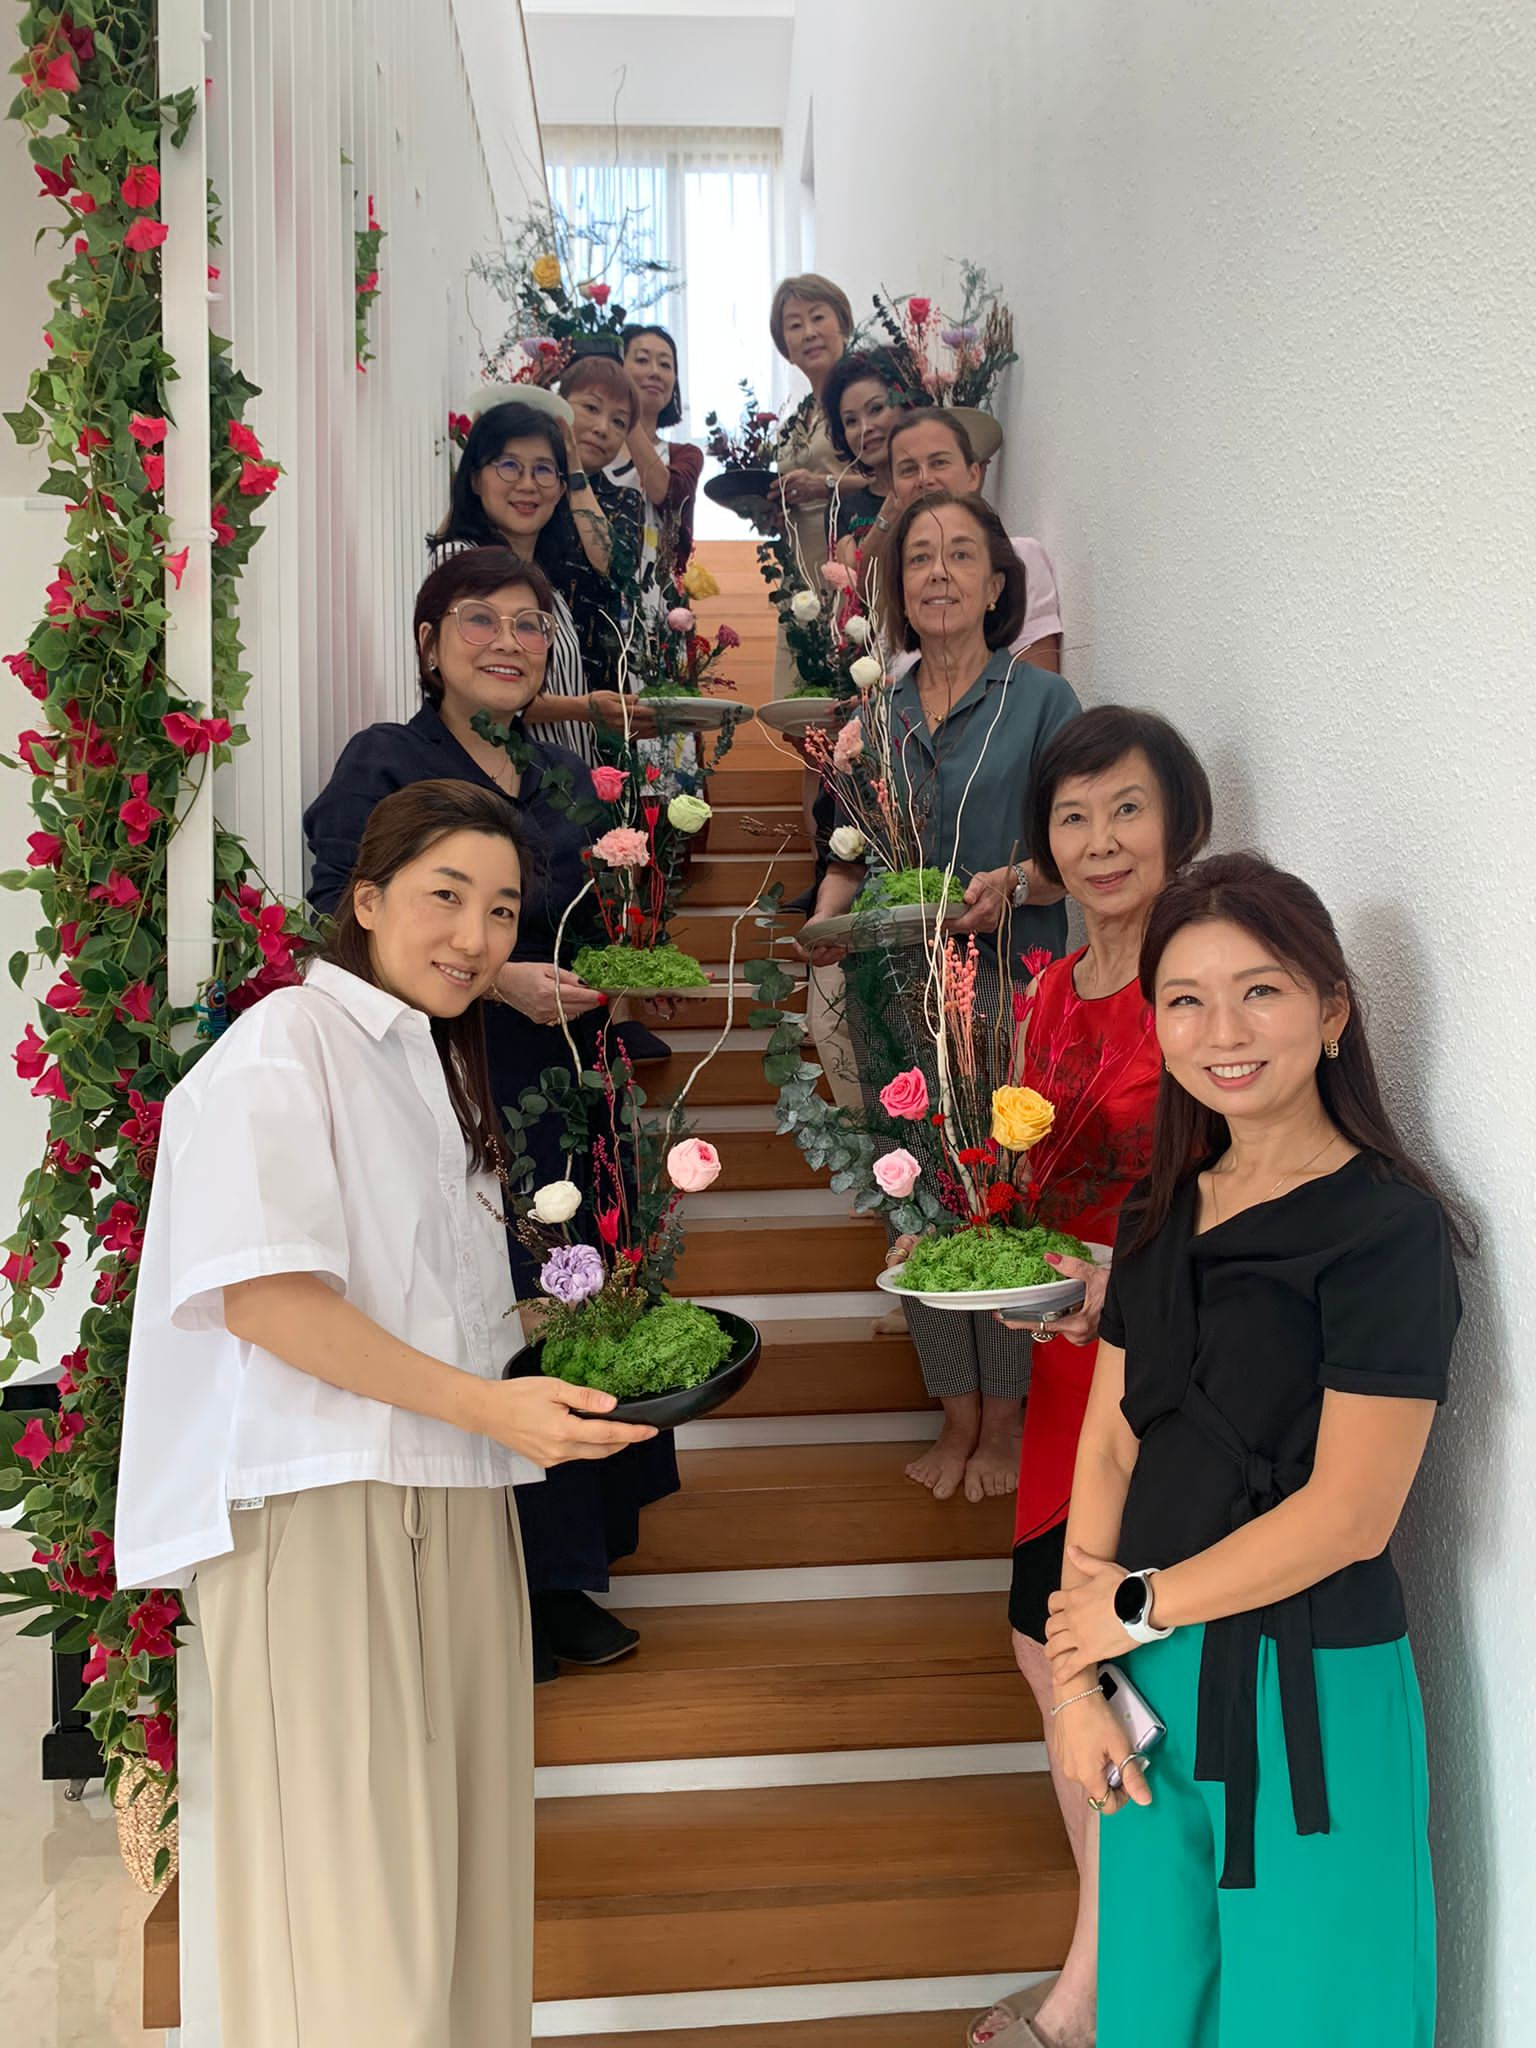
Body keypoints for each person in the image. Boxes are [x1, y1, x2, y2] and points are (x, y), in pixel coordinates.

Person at [114, 778, 657, 2046]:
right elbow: (267, 1303)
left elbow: (424, 1312)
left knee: (463, 1890)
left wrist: (583, 1333)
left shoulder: (433, 1068)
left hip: (451, 1493)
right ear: (364, 902)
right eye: (445, 897)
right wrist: (491, 1403)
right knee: (357, 1909)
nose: (475, 935)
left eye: (505, 909)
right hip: (324, 1507)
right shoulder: (281, 1047)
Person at [1045, 852, 1462, 2048]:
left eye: (1261, 990)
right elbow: (1114, 1446)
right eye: (1185, 997)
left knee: (1314, 2014)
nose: (1221, 1029)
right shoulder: (1162, 1202)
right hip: (1149, 1678)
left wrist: (1133, 1605)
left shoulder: (1388, 1228)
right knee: (1154, 2008)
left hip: (1310, 1685)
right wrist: (1079, 1679)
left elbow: (1351, 1513)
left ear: (1331, 1010)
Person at [304, 547, 679, 1681]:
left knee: (578, 1285)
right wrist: (496, 973)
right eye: (481, 620)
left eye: (529, 624)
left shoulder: (564, 780)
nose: (508, 641)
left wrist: (612, 965)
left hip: (570, 1070)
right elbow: (340, 898)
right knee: (487, 1296)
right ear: (431, 642)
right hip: (451, 1069)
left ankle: (566, 1567)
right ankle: (503, 1570)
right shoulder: (385, 760)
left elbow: (599, 909)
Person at [959, 707, 1214, 2048]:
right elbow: (1031, 1169)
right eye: (1073, 816)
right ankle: (1112, 1956)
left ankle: (1100, 1987)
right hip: (1067, 1362)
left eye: (1127, 808)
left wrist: (1121, 1280)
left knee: (1090, 1653)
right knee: (1046, 1649)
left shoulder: (1201, 978)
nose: (1102, 840)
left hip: (1155, 1373)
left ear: (1179, 819)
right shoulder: (1053, 986)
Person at [801, 490, 1081, 1497]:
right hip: (889, 992)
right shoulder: (873, 712)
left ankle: (1005, 1421)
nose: (940, 572)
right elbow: (848, 846)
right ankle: (953, 1414)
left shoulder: (1045, 703)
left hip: (1006, 987)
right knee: (908, 1192)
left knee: (1000, 1191)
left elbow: (1073, 850)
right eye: (919, 557)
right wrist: (822, 931)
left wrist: (1017, 885)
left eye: (963, 554)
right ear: (896, 588)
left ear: (999, 583)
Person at [431, 398, 656, 759]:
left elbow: (611, 562)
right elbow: (473, 690)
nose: (527, 484)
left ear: (562, 489)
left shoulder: (546, 581)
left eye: (544, 470)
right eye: (509, 466)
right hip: (498, 787)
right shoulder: (459, 559)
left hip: (563, 791)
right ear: (474, 479)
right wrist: (584, 709)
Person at [885, 409, 1064, 673]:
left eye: (939, 463)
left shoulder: (1018, 557)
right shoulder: (904, 572)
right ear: (894, 492)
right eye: (909, 469)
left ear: (973, 475)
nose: (924, 479)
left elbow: (1040, 699)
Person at [767, 271, 856, 696]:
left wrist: (827, 485)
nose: (808, 332)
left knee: (851, 698)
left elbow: (893, 478)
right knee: (801, 713)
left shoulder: (863, 402)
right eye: (794, 325)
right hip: (799, 575)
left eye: (818, 317)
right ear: (785, 347)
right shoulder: (793, 422)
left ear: (843, 322)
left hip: (852, 564)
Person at [608, 322, 705, 581]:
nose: (655, 372)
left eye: (665, 365)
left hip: (663, 609)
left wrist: (625, 413)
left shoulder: (685, 455)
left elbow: (664, 492)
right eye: (642, 360)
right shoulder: (595, 448)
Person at [819, 347, 920, 561]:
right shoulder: (842, 510)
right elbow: (852, 585)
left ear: (907, 406)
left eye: (876, 409)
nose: (865, 429)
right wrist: (886, 517)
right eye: (851, 421)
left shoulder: (933, 485)